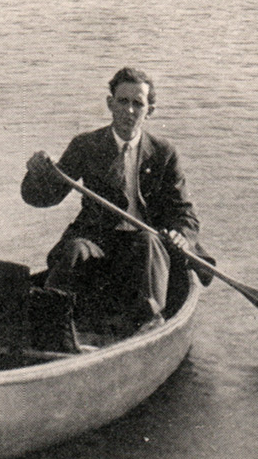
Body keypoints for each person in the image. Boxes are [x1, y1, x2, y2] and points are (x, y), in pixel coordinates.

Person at [21, 66, 209, 335]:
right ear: (110, 104)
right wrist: (38, 174)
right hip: (98, 242)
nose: (129, 111)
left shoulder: (164, 153)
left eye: (138, 104)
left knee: (148, 240)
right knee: (75, 249)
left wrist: (181, 236)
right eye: (122, 101)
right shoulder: (86, 145)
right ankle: (53, 323)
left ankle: (147, 323)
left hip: (145, 248)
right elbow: (44, 197)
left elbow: (185, 214)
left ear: (150, 110)